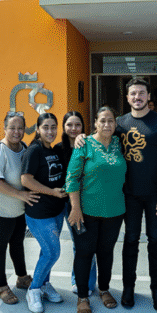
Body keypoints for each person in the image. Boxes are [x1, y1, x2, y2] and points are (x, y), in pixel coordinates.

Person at [117, 77, 157, 312]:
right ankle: (128, 288)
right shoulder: (120, 123)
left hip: (155, 195)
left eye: (141, 93)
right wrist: (81, 137)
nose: (137, 97)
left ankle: (156, 290)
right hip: (128, 194)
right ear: (127, 97)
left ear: (149, 96)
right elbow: (100, 142)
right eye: (133, 93)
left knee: (155, 240)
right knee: (130, 240)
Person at [66, 106, 126, 313]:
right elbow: (72, 178)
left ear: (115, 124)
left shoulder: (120, 143)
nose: (107, 124)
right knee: (84, 253)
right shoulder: (84, 144)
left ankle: (104, 289)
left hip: (115, 210)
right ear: (95, 123)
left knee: (106, 252)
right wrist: (75, 208)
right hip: (86, 211)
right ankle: (83, 297)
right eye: (102, 121)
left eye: (111, 121)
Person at [0, 112, 38, 305]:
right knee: (0, 247)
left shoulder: (25, 148)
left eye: (20, 128)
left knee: (17, 244)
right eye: (12, 127)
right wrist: (21, 195)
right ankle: (2, 287)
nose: (16, 131)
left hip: (18, 210)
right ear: (5, 128)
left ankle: (22, 277)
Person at [21, 113, 68, 313]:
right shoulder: (34, 150)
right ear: (38, 129)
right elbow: (26, 180)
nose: (50, 131)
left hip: (57, 210)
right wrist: (52, 192)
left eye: (53, 127)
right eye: (46, 127)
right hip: (39, 212)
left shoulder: (54, 150)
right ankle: (33, 289)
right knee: (52, 252)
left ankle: (44, 284)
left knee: (45, 250)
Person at [55, 111, 96, 297]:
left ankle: (87, 281)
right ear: (64, 127)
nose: (73, 128)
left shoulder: (89, 145)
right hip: (64, 203)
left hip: (86, 202)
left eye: (77, 124)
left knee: (86, 243)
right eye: (69, 125)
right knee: (75, 242)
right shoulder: (58, 148)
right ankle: (77, 280)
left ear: (83, 126)